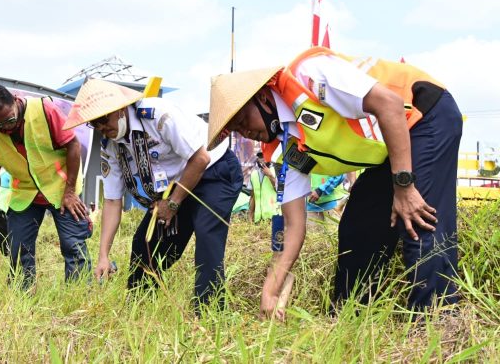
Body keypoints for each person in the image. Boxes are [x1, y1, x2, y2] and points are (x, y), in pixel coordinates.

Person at [207, 47, 462, 318]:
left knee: (416, 218)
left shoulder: (310, 75)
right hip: (392, 146)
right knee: (357, 227)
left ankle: (438, 322)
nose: (245, 131)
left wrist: (404, 186)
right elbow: (294, 226)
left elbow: (390, 104)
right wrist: (270, 291)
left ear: (262, 97)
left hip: (426, 113)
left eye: (244, 120)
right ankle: (348, 319)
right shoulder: (288, 147)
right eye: (236, 129)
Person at [64, 79, 243, 310]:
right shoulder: (110, 146)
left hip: (213, 171)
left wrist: (174, 203)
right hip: (177, 186)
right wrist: (103, 255)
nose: (101, 128)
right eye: (93, 124)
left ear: (119, 109)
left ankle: (209, 312)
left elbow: (200, 159)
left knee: (207, 234)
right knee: (144, 243)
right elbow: (111, 200)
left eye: (103, 120)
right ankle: (139, 308)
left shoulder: (158, 115)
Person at [0, 84, 91, 290]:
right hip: (25, 194)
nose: (5, 128)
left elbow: (73, 145)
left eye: (9, 119)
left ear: (16, 100)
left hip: (61, 189)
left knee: (73, 245)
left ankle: (78, 296)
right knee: (17, 250)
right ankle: (22, 299)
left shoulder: (44, 110)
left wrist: (70, 191)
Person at [248, 152, 277, 224]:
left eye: (265, 156)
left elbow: (281, 192)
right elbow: (253, 197)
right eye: (260, 157)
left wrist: (270, 175)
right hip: (258, 220)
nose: (262, 159)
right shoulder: (254, 175)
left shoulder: (276, 171)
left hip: (273, 218)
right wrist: (250, 216)